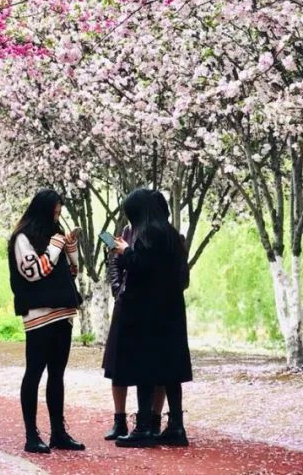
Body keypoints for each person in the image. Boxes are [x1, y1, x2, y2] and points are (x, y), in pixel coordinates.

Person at [103, 188, 192, 448]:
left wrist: (124, 251)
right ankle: (176, 425)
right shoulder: (172, 235)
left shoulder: (148, 235)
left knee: (146, 368)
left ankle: (143, 428)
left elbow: (143, 267)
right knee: (170, 370)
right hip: (172, 309)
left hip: (148, 310)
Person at [8, 189, 86, 454]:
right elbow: (33, 272)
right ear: (43, 209)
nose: (58, 215)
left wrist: (70, 244)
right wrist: (55, 247)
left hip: (63, 312)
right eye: (55, 210)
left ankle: (59, 432)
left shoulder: (54, 236)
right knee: (34, 372)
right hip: (38, 316)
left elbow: (72, 271)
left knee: (57, 374)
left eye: (59, 210)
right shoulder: (22, 238)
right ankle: (31, 434)